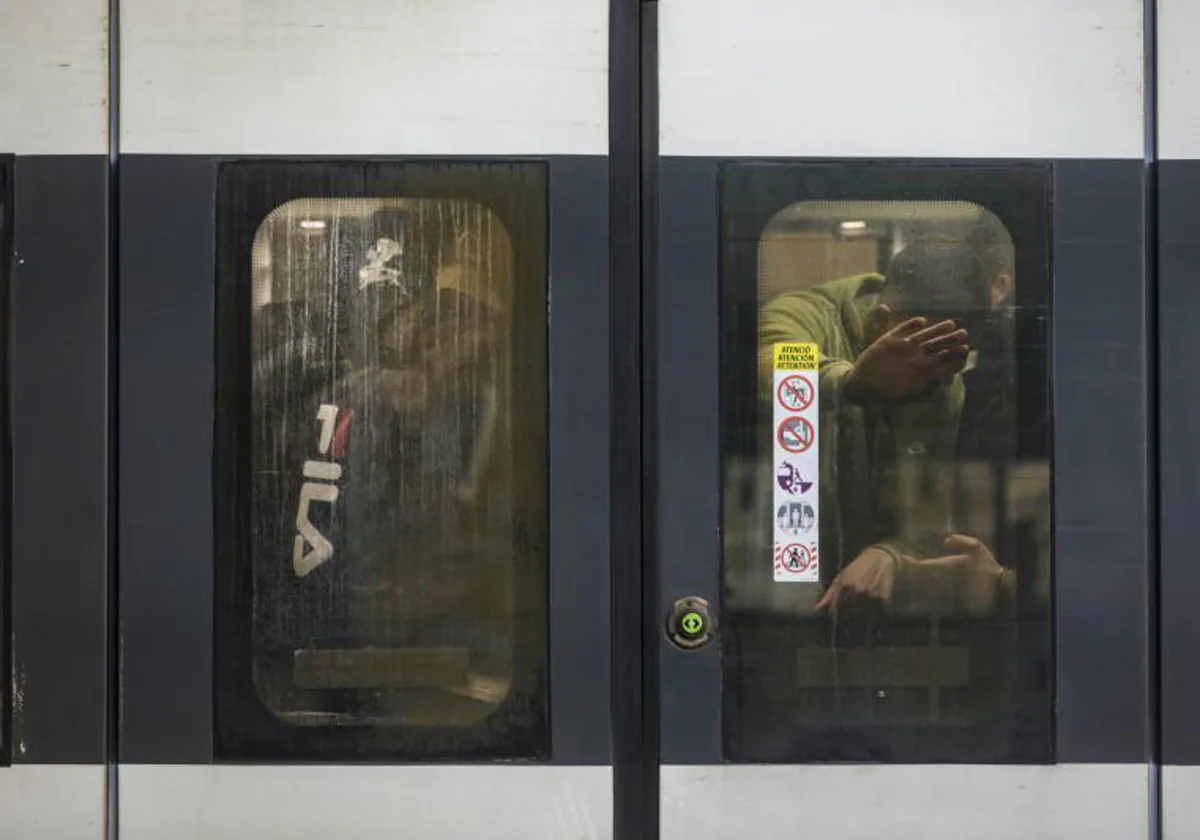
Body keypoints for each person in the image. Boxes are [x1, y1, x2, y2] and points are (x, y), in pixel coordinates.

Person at [758, 218, 1018, 616]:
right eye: (928, 356)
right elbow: (777, 362)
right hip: (774, 556)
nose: (944, 377)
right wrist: (851, 382)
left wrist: (893, 552)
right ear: (884, 321)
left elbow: (930, 507)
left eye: (956, 359)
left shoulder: (943, 387)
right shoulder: (808, 316)